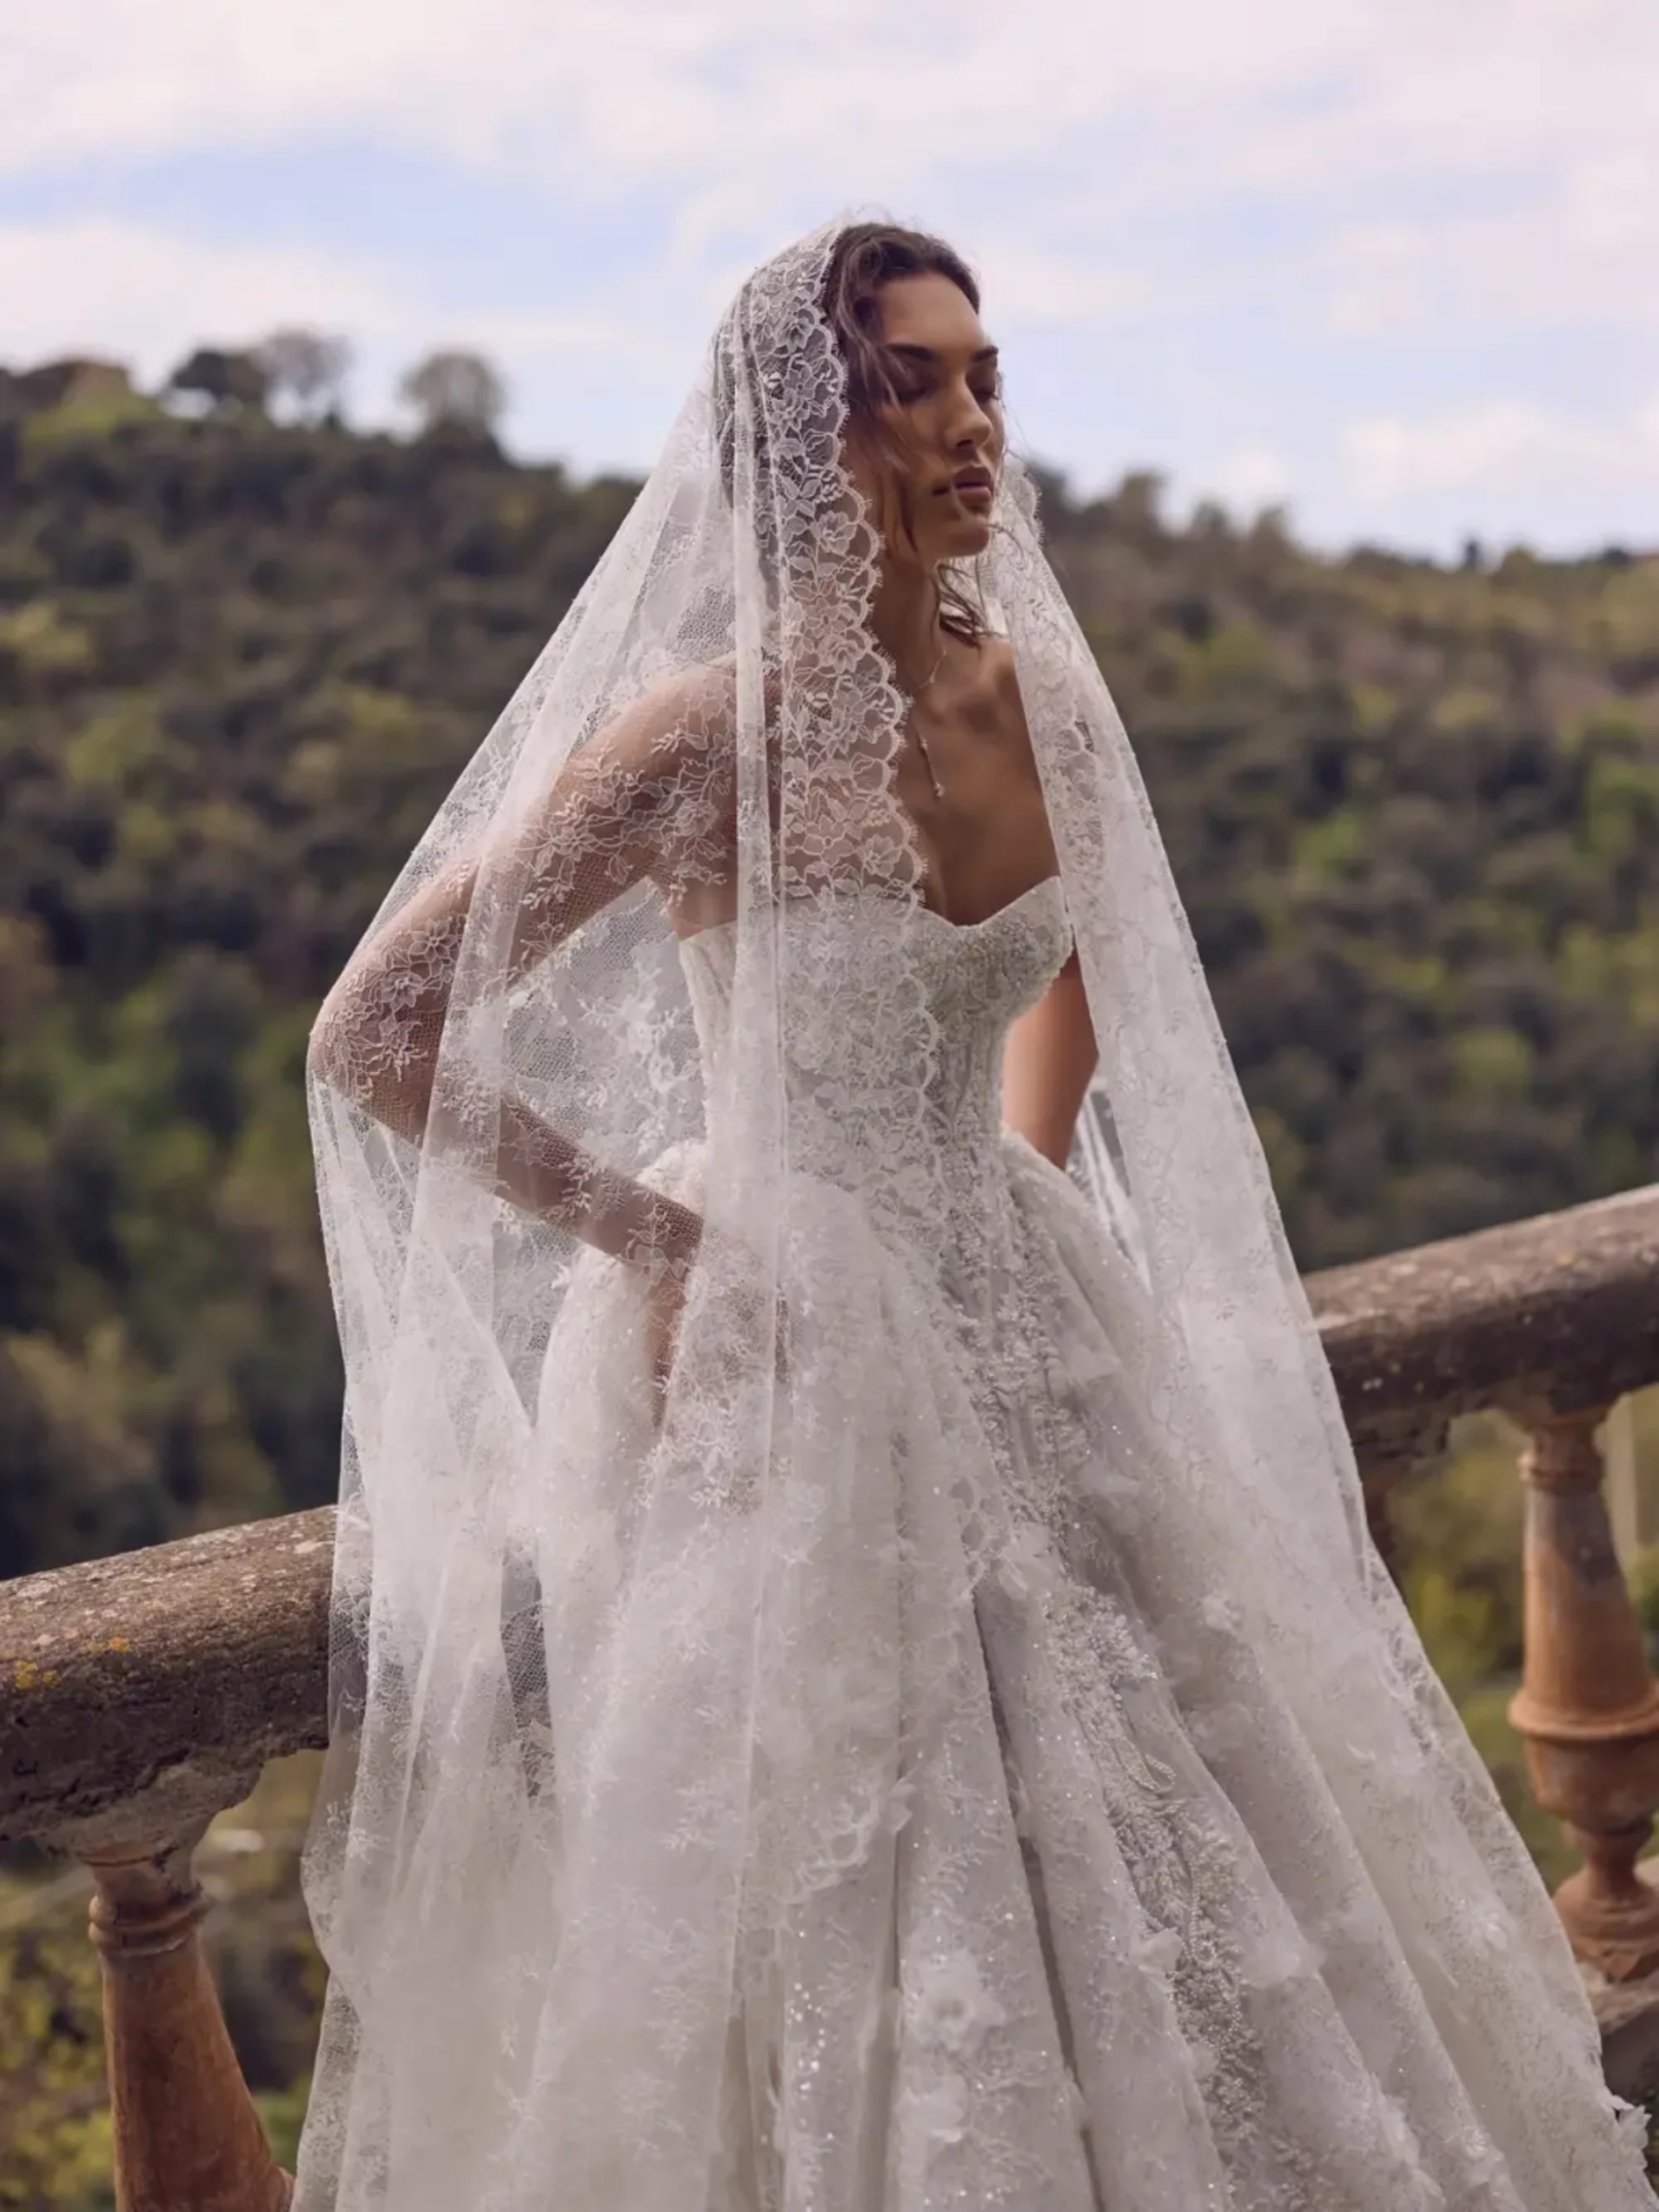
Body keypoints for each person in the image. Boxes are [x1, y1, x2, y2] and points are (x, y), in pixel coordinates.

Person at [294, 219, 1654, 2211]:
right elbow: (374, 1024)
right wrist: (667, 1239)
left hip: (1024, 1299)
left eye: (981, 374)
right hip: (802, 1353)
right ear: (800, 441)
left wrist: (1003, 1185)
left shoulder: (1038, 696)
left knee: (1188, 1810)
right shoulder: (708, 733)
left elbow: (1085, 972)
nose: (962, 423)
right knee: (877, 1858)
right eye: (904, 382)